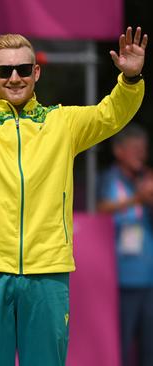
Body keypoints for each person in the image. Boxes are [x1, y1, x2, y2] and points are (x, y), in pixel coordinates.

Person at [0, 25, 146, 365]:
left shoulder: (63, 123)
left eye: (23, 69)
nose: (15, 78)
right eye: (5, 70)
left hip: (47, 271)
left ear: (36, 72)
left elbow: (111, 114)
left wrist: (129, 81)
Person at [98, 124, 153, 366]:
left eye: (143, 149)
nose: (140, 154)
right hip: (119, 281)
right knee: (120, 344)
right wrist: (137, 198)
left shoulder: (147, 179)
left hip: (148, 280)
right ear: (119, 151)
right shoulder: (109, 180)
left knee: (148, 347)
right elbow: (99, 211)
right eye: (135, 149)